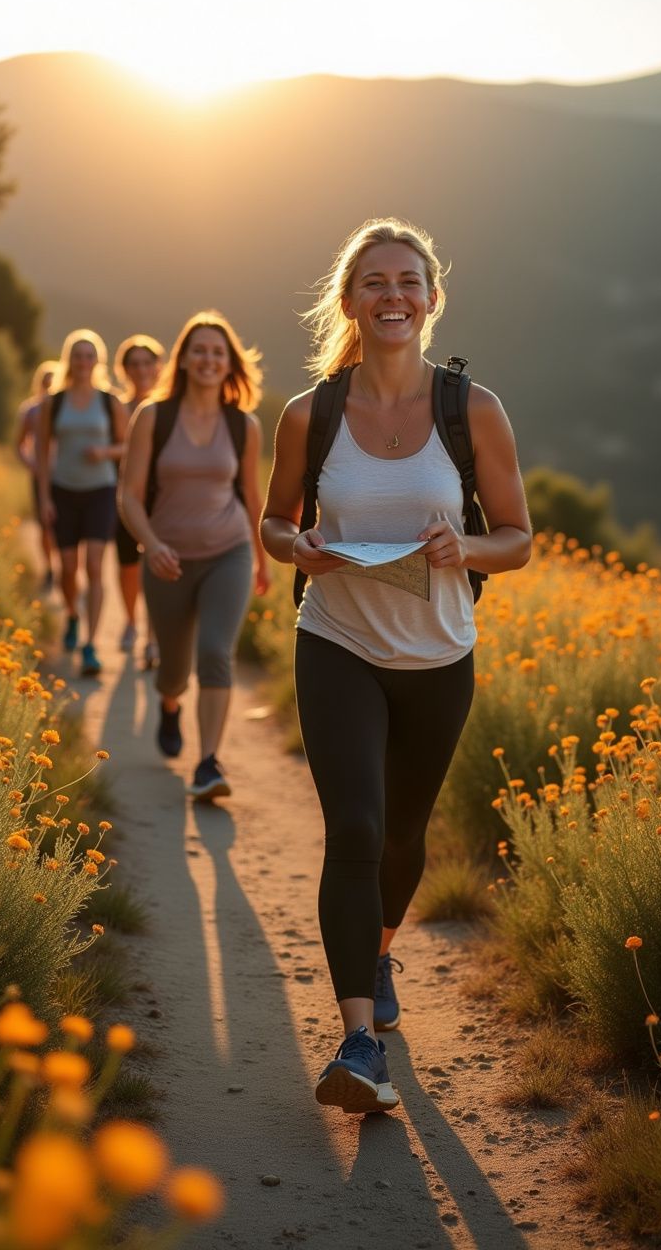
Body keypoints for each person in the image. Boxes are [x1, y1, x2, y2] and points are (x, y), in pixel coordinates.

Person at [261, 218, 531, 1115]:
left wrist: (468, 549)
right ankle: (356, 1041)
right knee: (356, 829)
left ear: (431, 298)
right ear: (350, 301)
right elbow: (271, 520)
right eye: (374, 281)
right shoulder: (312, 413)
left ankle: (380, 949)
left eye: (408, 281)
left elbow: (518, 539)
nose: (392, 296)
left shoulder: (471, 409)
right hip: (335, 639)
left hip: (438, 651)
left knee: (404, 836)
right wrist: (297, 547)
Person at [120, 311, 271, 800]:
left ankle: (208, 763)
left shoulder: (243, 425)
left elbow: (250, 494)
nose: (208, 359)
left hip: (229, 552)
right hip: (167, 557)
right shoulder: (153, 417)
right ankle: (169, 706)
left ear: (230, 364)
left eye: (218, 352)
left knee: (214, 654)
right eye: (199, 350)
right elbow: (128, 495)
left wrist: (262, 558)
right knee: (173, 669)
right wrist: (153, 544)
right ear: (183, 359)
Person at [36, 329, 128, 677]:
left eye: (90, 356)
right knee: (67, 567)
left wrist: (104, 452)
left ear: (97, 361)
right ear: (69, 360)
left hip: (101, 490)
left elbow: (127, 445)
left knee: (94, 565)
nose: (84, 362)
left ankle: (91, 645)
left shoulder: (109, 401)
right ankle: (73, 614)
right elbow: (43, 454)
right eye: (78, 355)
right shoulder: (53, 402)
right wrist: (44, 497)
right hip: (63, 490)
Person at [112, 334, 165, 665]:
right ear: (124, 369)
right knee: (127, 565)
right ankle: (131, 620)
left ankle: (152, 637)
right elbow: (119, 445)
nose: (141, 369)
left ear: (158, 367)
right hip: (126, 497)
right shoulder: (117, 406)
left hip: (163, 499)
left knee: (156, 568)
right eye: (135, 363)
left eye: (148, 362)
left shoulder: (168, 406)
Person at [15, 359, 58, 591]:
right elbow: (19, 444)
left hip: (64, 476)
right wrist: (31, 463)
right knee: (45, 526)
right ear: (39, 384)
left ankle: (69, 569)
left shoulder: (66, 408)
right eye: (46, 382)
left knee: (65, 527)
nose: (50, 387)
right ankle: (50, 568)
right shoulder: (30, 410)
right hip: (40, 475)